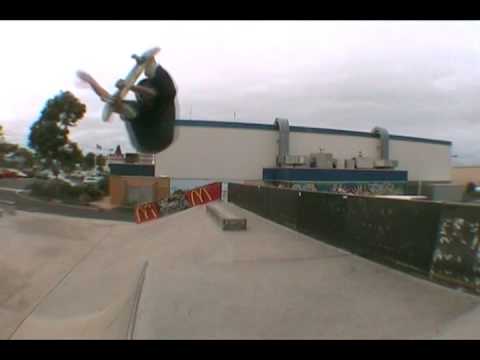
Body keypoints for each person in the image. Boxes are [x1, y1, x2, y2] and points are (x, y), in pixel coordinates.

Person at [77, 56, 177, 154]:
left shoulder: (163, 94)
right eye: (141, 95)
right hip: (148, 142)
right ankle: (151, 66)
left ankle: (151, 66)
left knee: (166, 92)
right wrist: (90, 80)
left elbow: (152, 93)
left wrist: (131, 84)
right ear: (139, 98)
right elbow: (106, 97)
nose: (143, 96)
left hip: (164, 137)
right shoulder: (139, 109)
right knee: (124, 107)